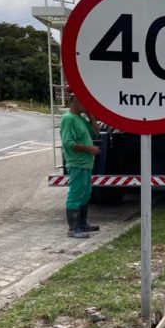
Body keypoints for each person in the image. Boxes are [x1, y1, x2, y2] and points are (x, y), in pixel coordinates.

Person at [60, 93, 101, 238]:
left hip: (86, 163)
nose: (86, 105)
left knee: (85, 194)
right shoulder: (68, 119)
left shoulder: (80, 119)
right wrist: (89, 149)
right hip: (77, 163)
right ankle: (73, 229)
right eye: (85, 102)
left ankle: (82, 224)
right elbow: (68, 143)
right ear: (75, 101)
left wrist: (90, 114)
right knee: (76, 194)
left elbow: (96, 132)